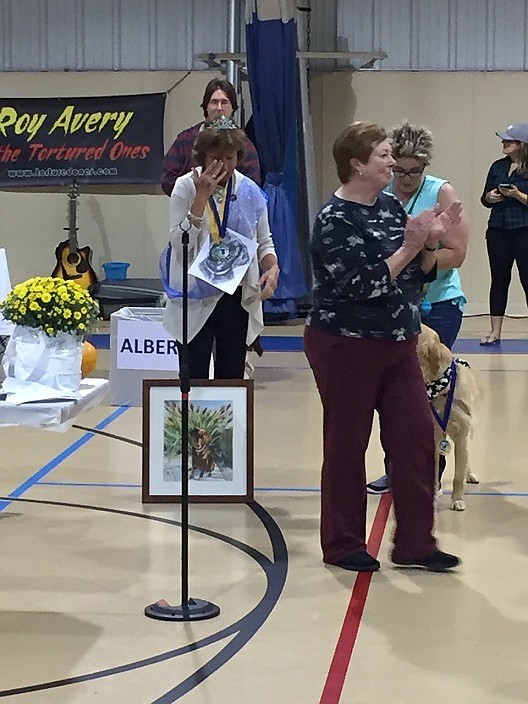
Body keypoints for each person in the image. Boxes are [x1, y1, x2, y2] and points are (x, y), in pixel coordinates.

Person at [304, 120, 462, 572]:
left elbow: (419, 275)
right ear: (356, 164)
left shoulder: (390, 207)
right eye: (383, 155)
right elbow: (363, 285)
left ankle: (416, 544)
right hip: (345, 345)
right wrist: (411, 246)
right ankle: (343, 543)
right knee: (346, 445)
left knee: (415, 440)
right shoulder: (334, 220)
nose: (393, 163)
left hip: (398, 343)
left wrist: (429, 245)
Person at [367, 121, 470, 495]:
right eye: (399, 170)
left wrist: (418, 257)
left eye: (415, 172)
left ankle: (432, 473)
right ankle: (394, 468)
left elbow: (457, 254)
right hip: (393, 306)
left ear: (425, 168)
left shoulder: (441, 193)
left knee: (432, 395)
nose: (406, 179)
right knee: (390, 394)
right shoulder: (379, 193)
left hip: (437, 305)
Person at [162, 118, 279, 379]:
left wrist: (272, 267)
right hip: (195, 292)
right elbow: (179, 245)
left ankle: (230, 421)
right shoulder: (185, 186)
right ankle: (193, 420)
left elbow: (264, 242)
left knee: (231, 375)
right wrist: (200, 200)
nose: (223, 166)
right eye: (216, 158)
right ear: (202, 156)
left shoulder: (250, 191)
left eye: (230, 158)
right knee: (194, 373)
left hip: (234, 292)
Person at [161, 77, 261, 196]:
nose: (219, 108)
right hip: (192, 207)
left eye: (224, 102)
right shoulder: (185, 139)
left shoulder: (244, 144)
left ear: (232, 107)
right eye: (214, 102)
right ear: (206, 106)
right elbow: (168, 180)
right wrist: (197, 192)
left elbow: (253, 185)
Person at [480, 123, 528, 344]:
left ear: (521, 144)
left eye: (509, 140)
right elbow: (484, 199)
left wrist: (518, 195)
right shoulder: (497, 166)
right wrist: (491, 196)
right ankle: (495, 331)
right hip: (498, 230)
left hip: (524, 231)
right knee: (498, 280)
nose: (503, 143)